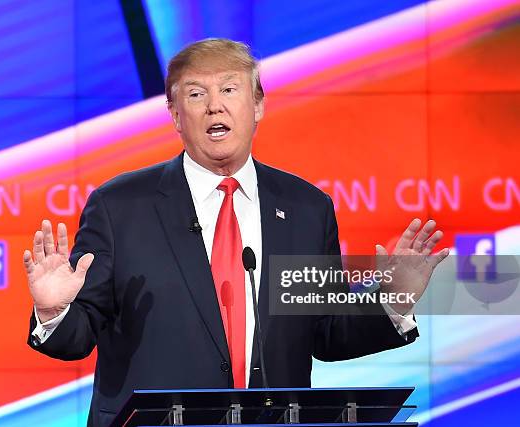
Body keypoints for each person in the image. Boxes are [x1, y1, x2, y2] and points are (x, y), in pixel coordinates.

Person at [23, 38, 448, 427]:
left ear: (258, 106)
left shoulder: (306, 208)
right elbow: (78, 337)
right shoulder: (120, 206)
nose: (214, 107)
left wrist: (392, 299)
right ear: (174, 114)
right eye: (195, 94)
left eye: (229, 90)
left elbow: (324, 332)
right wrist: (52, 312)